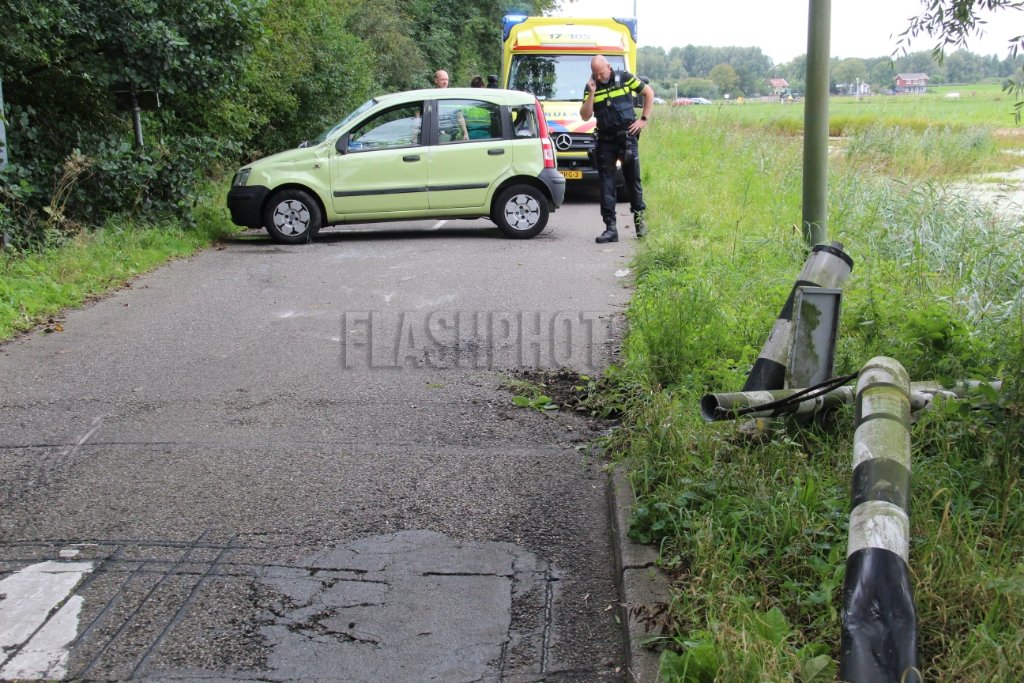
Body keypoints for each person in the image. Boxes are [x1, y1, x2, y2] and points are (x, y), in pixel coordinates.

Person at [580, 55, 654, 243]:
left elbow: (648, 93)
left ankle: (639, 224)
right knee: (606, 184)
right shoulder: (591, 86)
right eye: (595, 74)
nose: (598, 76)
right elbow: (585, 116)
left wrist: (643, 120)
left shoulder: (625, 78)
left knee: (633, 182)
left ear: (609, 67)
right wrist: (591, 93)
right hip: (605, 141)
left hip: (627, 138)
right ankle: (610, 228)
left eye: (601, 73)